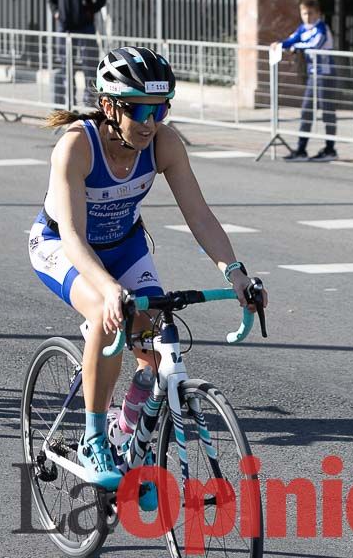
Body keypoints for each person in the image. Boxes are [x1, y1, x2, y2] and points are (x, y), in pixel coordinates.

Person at [28, 46, 266, 491]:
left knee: (156, 353)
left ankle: (128, 432)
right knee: (105, 308)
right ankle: (94, 437)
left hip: (125, 245)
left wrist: (236, 274)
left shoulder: (164, 143)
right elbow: (75, 239)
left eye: (160, 108)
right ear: (108, 106)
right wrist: (108, 288)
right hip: (62, 245)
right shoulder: (77, 147)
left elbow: (199, 214)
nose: (150, 122)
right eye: (139, 109)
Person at [275, 0, 338, 162]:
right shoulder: (303, 28)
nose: (307, 17)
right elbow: (291, 40)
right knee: (306, 111)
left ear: (318, 13)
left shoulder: (322, 28)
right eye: (304, 14)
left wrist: (295, 47)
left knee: (327, 112)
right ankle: (301, 149)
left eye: (311, 13)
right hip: (312, 74)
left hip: (326, 75)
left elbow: (315, 44)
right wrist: (280, 44)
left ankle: (330, 148)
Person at [49, 0, 107, 107]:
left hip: (85, 28)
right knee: (65, 67)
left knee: (90, 67)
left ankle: (89, 105)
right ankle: (68, 105)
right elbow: (51, 0)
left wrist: (89, 12)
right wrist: (56, 13)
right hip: (64, 29)